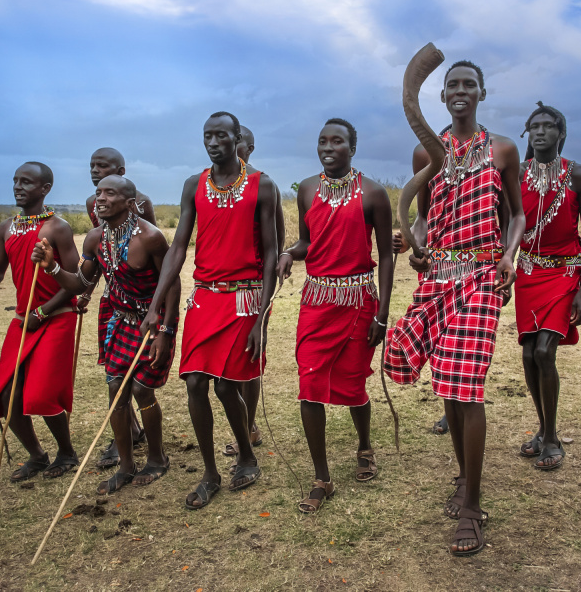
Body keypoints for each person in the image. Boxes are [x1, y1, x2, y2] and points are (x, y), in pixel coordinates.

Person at [386, 61, 525, 556]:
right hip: (438, 277)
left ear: (481, 92)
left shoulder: (503, 149)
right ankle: (465, 476)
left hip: (483, 275)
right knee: (447, 381)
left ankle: (472, 508)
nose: (460, 90)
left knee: (467, 385)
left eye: (469, 84)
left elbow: (517, 214)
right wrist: (413, 241)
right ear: (442, 95)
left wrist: (509, 255)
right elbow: (425, 218)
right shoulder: (427, 150)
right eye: (453, 85)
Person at [143, 111, 278, 509]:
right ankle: (209, 473)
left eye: (221, 136)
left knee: (224, 385)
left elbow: (272, 253)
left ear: (237, 139)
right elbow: (178, 248)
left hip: (243, 297)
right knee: (194, 383)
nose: (214, 143)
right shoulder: (194, 184)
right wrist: (155, 304)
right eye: (208, 136)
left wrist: (262, 318)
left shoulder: (262, 185)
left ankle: (246, 455)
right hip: (205, 297)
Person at [33, 175, 179, 495]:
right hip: (121, 320)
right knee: (116, 389)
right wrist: (52, 267)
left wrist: (165, 331)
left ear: (129, 203)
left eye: (109, 193)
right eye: (98, 192)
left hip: (153, 322)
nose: (100, 198)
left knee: (141, 389)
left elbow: (172, 282)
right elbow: (81, 283)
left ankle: (157, 459)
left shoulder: (150, 237)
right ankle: (126, 466)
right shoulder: (95, 238)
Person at [278, 118, 393, 512]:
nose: (328, 148)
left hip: (359, 302)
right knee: (309, 383)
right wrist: (289, 253)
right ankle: (321, 478)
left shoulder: (374, 193)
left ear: (352, 148)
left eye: (337, 141)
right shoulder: (307, 189)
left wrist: (383, 314)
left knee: (354, 384)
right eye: (322, 141)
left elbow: (386, 256)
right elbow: (307, 242)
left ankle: (365, 446)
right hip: (317, 302)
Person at [0, 162, 80, 482]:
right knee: (6, 393)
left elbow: (77, 282)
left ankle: (66, 453)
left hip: (56, 317)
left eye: (27, 182)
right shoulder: (6, 227)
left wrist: (43, 312)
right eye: (16, 181)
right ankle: (37, 455)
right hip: (24, 320)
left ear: (45, 189)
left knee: (42, 393)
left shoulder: (57, 228)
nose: (18, 187)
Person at [514, 103, 581, 470]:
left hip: (565, 273)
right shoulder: (515, 175)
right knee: (528, 354)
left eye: (548, 126)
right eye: (534, 126)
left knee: (546, 351)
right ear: (528, 133)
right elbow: (507, 223)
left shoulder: (579, 175)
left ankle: (550, 438)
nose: (541, 131)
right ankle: (543, 428)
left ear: (561, 133)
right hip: (528, 274)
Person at [83, 147, 153, 468]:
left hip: (139, 298)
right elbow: (103, 252)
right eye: (92, 166)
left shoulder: (141, 203)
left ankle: (144, 436)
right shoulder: (93, 204)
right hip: (112, 297)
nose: (95, 170)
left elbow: (148, 250)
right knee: (114, 373)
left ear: (121, 171)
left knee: (139, 377)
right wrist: (86, 291)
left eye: (103, 166)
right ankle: (128, 430)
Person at [220, 125, 284, 464]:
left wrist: (266, 285)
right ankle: (244, 426)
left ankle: (248, 427)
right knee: (226, 364)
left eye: (238, 142)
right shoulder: (215, 186)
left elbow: (277, 240)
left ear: (250, 147)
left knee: (249, 357)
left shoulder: (263, 184)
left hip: (254, 287)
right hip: (221, 288)